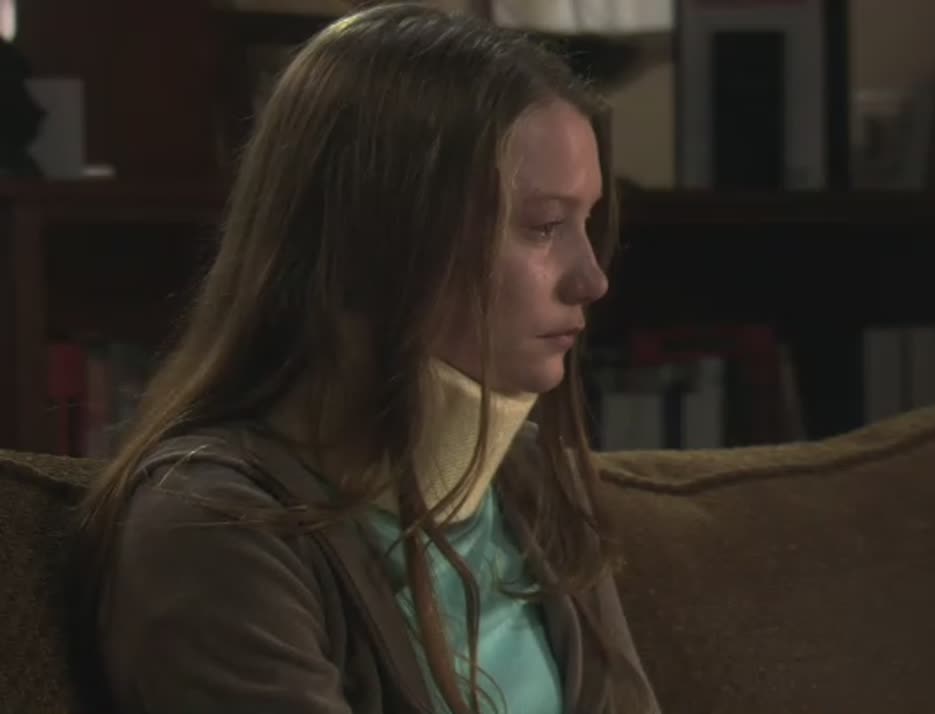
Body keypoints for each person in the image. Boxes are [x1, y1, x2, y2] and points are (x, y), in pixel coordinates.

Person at [71, 4, 659, 713]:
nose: (591, 279)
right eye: (544, 226)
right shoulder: (212, 526)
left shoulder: (532, 478)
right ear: (378, 242)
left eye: (587, 223)